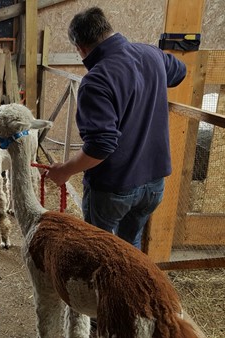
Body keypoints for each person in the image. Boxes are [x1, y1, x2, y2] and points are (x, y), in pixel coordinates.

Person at [45, 7, 187, 249]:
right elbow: (180, 72)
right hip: (154, 184)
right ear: (108, 30)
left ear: (80, 48)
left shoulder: (96, 79)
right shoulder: (152, 54)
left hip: (115, 187)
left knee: (100, 250)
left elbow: (101, 146)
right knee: (130, 247)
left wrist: (66, 170)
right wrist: (148, 85)